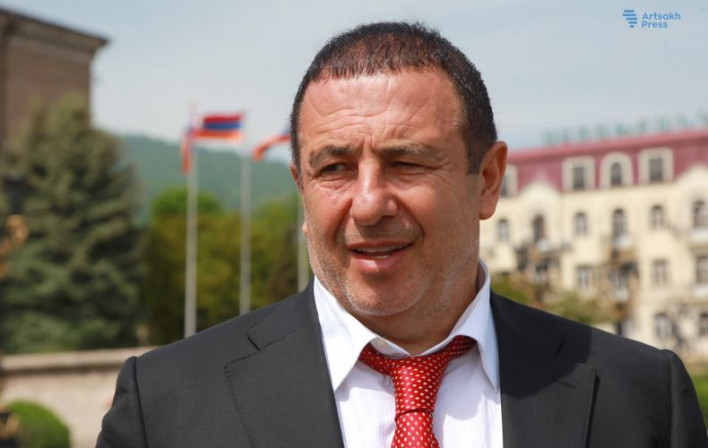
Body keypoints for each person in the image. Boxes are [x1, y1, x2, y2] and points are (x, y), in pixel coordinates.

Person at [97, 22, 706, 448]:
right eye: (334, 168)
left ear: (487, 180)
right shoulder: (167, 406)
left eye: (407, 162)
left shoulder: (640, 396)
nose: (368, 204)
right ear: (302, 189)